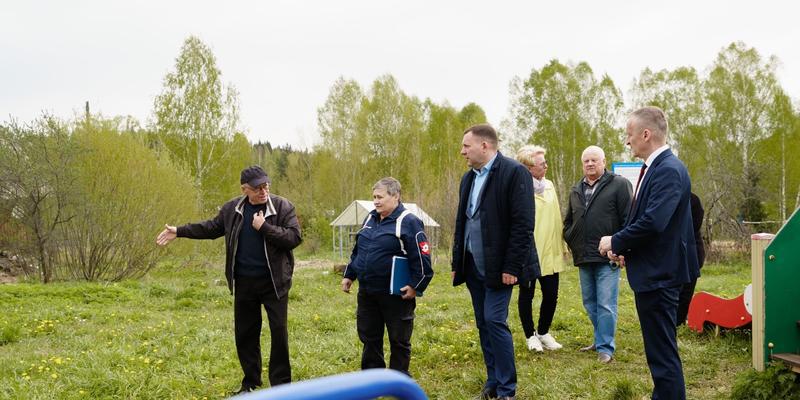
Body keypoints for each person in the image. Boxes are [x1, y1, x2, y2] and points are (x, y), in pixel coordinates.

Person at [155, 166, 302, 394]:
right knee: (245, 335)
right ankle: (251, 384)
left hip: (274, 283)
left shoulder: (282, 206)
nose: (263, 191)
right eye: (257, 188)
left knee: (279, 334)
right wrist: (180, 231)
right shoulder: (233, 208)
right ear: (245, 189)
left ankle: (282, 388)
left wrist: (264, 228)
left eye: (266, 186)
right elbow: (211, 228)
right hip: (244, 282)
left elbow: (294, 237)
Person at [599, 106, 700, 400]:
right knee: (659, 351)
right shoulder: (655, 168)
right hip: (655, 270)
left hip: (661, 275)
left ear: (646, 134)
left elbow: (654, 222)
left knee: (663, 353)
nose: (627, 141)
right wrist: (628, 250)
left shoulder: (668, 169)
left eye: (630, 135)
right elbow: (655, 225)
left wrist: (615, 241)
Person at [452, 124, 537, 400]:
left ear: (484, 146)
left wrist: (512, 266)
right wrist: (457, 260)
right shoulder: (468, 179)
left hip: (501, 268)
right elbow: (462, 222)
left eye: (467, 146)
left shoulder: (514, 173)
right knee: (482, 322)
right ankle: (492, 381)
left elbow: (523, 224)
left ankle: (506, 389)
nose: (462, 151)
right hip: (473, 265)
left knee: (494, 320)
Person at [341, 177, 433, 376]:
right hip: (367, 293)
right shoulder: (370, 218)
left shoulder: (409, 222)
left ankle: (398, 380)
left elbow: (422, 258)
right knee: (369, 337)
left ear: (396, 196)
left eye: (380, 197)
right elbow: (358, 249)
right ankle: (373, 378)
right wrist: (349, 274)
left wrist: (416, 286)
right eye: (374, 197)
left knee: (398, 339)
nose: (375, 201)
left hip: (395, 295)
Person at [563, 145, 632, 364]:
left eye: (594, 160)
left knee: (605, 303)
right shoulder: (576, 189)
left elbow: (628, 218)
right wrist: (571, 238)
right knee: (590, 302)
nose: (590, 164)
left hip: (608, 256)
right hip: (584, 256)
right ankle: (599, 338)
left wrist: (621, 249)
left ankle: (605, 348)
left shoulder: (619, 185)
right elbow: (569, 221)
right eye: (586, 161)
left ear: (604, 161)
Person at [515, 145, 568, 353]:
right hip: (529, 251)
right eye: (541, 163)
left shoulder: (550, 185)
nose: (546, 165)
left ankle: (543, 332)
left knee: (551, 294)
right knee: (527, 294)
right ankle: (530, 335)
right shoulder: (519, 188)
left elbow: (556, 217)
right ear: (529, 167)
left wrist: (562, 244)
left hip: (551, 249)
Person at [676, 192, 705, 326]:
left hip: (691, 252)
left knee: (686, 292)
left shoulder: (693, 199)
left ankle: (679, 321)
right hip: (672, 254)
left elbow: (695, 225)